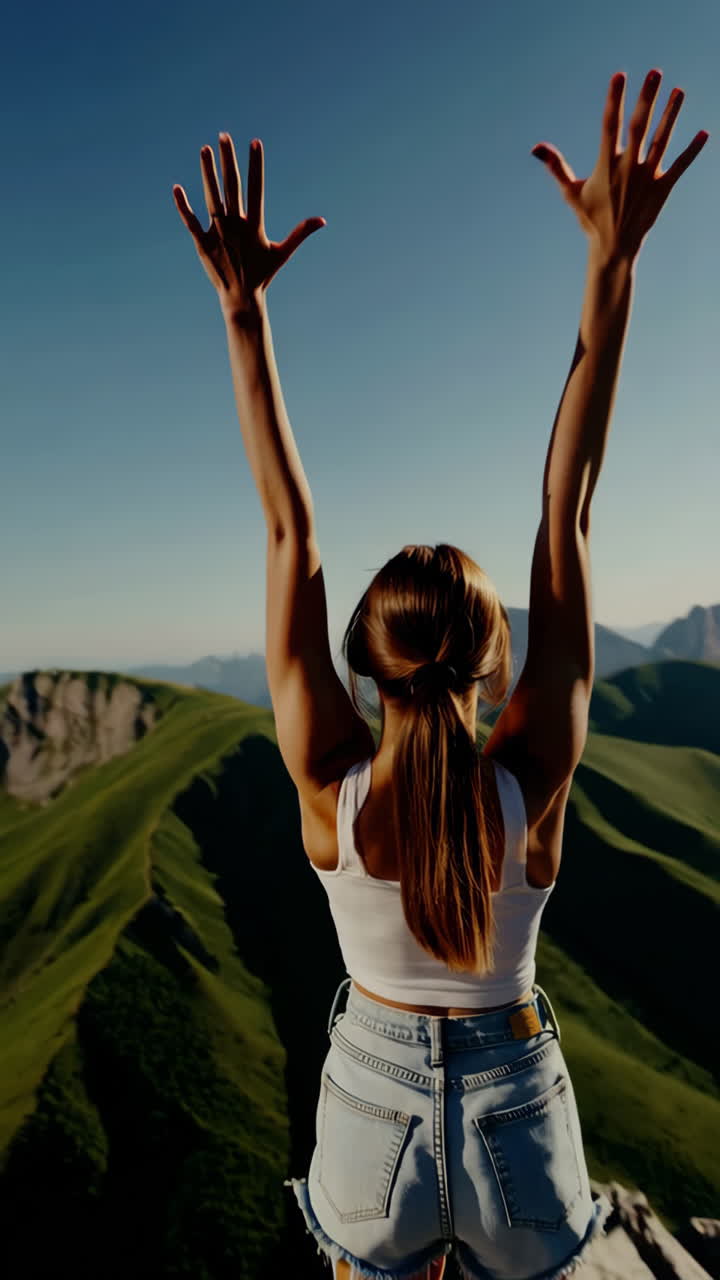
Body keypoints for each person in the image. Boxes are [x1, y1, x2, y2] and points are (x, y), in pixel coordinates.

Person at [173, 68, 708, 1280]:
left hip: (371, 1104)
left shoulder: (328, 784)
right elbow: (567, 507)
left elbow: (287, 536)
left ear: (364, 664)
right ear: (494, 659)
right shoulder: (534, 779)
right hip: (519, 1099)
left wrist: (244, 315)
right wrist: (611, 262)